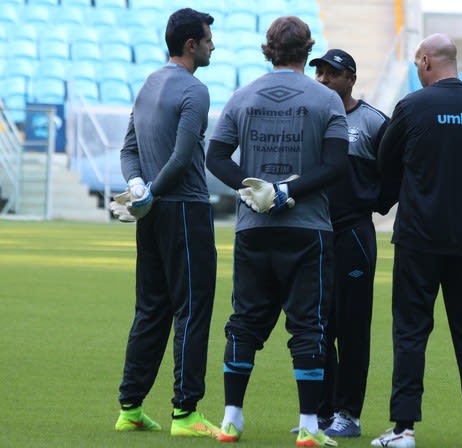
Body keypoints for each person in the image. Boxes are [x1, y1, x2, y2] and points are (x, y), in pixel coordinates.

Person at [205, 16, 349, 447]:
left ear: (269, 49)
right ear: (308, 50)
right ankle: (308, 427)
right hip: (308, 229)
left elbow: (215, 158)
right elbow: (336, 165)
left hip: (254, 228)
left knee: (244, 323)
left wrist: (252, 189)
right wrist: (287, 191)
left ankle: (231, 419)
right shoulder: (326, 100)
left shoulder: (242, 96)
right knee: (308, 327)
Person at [370, 33, 462, 448]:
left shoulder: (412, 106)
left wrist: (375, 203)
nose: (415, 69)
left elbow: (385, 165)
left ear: (427, 60)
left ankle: (404, 429)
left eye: (415, 62)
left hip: (418, 239)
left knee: (410, 331)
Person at [113, 8, 221, 438]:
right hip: (185, 209)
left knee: (151, 308)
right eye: (209, 39)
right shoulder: (195, 90)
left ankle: (130, 406)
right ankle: (186, 412)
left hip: (152, 215)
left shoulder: (148, 85)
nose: (214, 45)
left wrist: (138, 188)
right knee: (192, 308)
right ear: (191, 45)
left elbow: (127, 151)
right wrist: (154, 189)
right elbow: (180, 158)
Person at [307, 48, 390, 438]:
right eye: (319, 72)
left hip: (354, 233)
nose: (322, 79)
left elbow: (396, 173)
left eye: (331, 73)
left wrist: (372, 203)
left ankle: (349, 414)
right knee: (318, 324)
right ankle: (322, 414)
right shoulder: (312, 117)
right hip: (314, 232)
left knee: (352, 327)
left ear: (350, 79)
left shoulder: (372, 121)